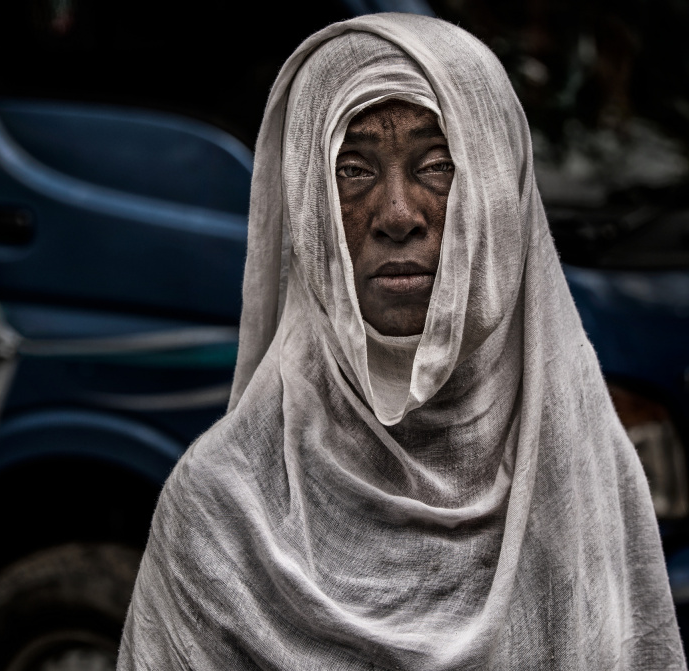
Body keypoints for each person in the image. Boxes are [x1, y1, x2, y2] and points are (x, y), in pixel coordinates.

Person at [118, 13, 686, 670]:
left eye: (438, 164)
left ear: (498, 190)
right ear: (310, 200)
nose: (397, 214)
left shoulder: (578, 469)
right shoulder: (226, 503)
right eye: (354, 168)